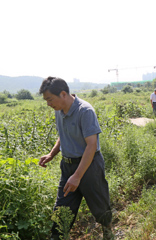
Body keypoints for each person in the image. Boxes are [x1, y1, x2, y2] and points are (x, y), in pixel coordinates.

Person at [38, 77, 113, 240]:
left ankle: (107, 230)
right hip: (68, 165)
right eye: (46, 100)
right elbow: (62, 136)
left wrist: (77, 176)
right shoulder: (59, 111)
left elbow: (91, 145)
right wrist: (52, 154)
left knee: (99, 203)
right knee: (62, 209)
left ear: (63, 94)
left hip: (89, 165)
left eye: (50, 99)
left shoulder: (84, 111)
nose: (48, 104)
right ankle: (57, 236)